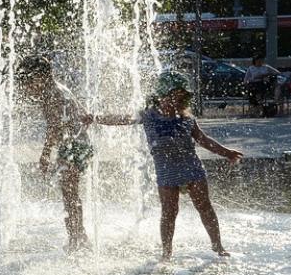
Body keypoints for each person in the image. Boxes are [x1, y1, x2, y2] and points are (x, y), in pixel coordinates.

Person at [85, 71, 242, 261]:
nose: (177, 100)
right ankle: (166, 253)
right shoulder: (149, 115)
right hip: (167, 171)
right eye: (174, 95)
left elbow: (203, 140)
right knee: (169, 212)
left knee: (205, 207)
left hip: (191, 166)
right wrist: (94, 118)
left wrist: (227, 153)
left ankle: (218, 246)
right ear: (162, 95)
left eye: (181, 96)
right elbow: (122, 119)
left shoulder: (187, 118)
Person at [17, 56, 92, 253]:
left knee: (69, 194)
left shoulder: (51, 94)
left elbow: (53, 127)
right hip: (77, 143)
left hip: (73, 146)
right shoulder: (58, 88)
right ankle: (78, 235)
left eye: (27, 81)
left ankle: (77, 238)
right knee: (70, 193)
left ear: (39, 77)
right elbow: (82, 112)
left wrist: (45, 155)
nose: (25, 87)